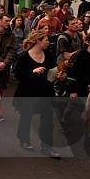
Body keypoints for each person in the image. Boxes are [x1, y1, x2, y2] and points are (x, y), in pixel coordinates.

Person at [13, 30, 59, 158]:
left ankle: (47, 147)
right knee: (26, 117)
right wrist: (32, 71)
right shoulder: (24, 57)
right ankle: (24, 140)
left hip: (45, 91)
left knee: (48, 119)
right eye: (46, 40)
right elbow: (17, 75)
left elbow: (53, 70)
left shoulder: (49, 55)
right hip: (28, 92)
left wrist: (60, 74)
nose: (48, 42)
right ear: (38, 41)